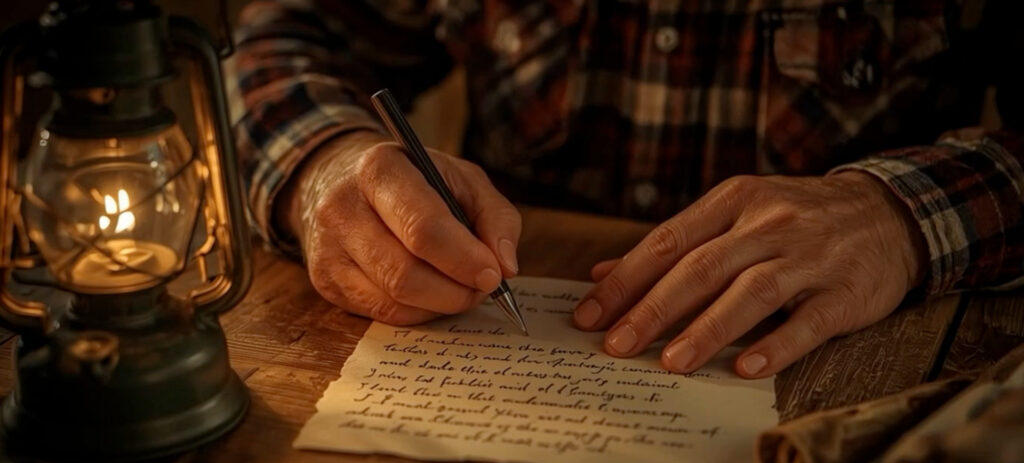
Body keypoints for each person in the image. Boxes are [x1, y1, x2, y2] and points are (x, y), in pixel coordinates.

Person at [228, 0, 1023, 379]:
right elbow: (293, 32)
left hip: (855, 365)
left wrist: (898, 216)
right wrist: (324, 161)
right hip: (480, 330)